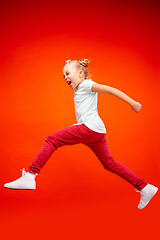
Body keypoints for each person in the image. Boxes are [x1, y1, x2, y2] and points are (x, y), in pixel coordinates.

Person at [4, 58, 158, 210]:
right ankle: (144, 187)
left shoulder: (86, 84)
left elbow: (111, 90)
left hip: (89, 128)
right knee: (109, 164)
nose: (65, 78)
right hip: (96, 131)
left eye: (68, 73)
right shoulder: (79, 89)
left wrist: (133, 103)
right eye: (63, 75)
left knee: (52, 140)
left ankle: (31, 176)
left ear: (80, 73)